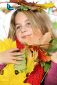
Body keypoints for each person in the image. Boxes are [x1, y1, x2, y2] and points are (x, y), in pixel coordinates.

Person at [0, 8, 57, 85]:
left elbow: (51, 82)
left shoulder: (52, 52)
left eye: (28, 23)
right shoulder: (9, 51)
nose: (22, 30)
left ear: (42, 26)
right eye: (18, 27)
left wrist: (55, 65)